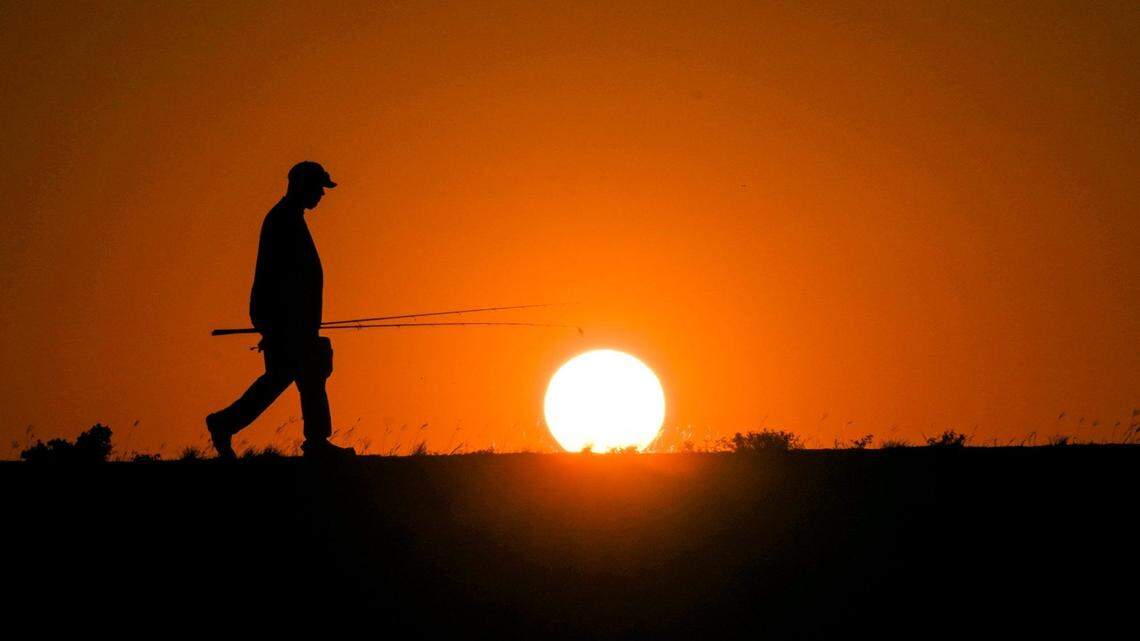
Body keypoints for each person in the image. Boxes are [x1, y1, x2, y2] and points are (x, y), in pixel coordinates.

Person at [206, 161, 355, 460]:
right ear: (302, 185)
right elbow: (276, 276)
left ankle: (226, 423)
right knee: (301, 373)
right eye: (318, 188)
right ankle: (313, 442)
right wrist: (276, 324)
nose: (322, 195)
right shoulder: (283, 220)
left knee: (290, 376)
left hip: (292, 321)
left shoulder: (289, 219)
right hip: (287, 321)